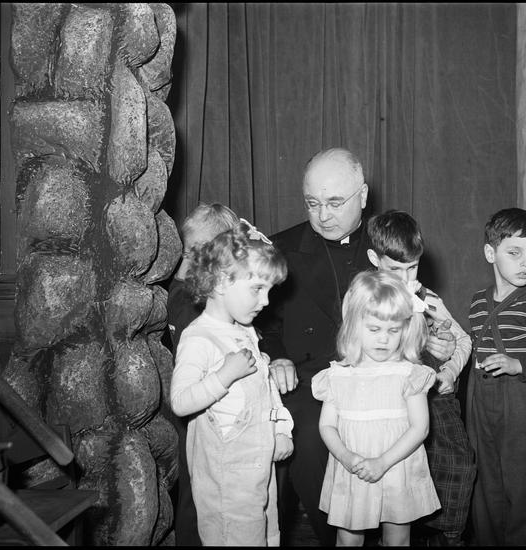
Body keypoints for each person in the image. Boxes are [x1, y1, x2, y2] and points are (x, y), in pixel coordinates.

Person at [256, 148, 456, 546]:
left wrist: (438, 346)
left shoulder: (388, 247)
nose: (322, 215)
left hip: (382, 376)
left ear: (362, 195)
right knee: (311, 441)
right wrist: (278, 357)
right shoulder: (280, 249)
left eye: (334, 203)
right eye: (312, 203)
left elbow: (417, 318)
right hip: (312, 381)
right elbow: (265, 322)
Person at [170, 221, 295, 546]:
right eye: (257, 289)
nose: (266, 301)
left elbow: (265, 384)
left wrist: (280, 426)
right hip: (226, 475)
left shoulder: (245, 331)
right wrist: (223, 375)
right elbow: (180, 401)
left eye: (269, 290)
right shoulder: (199, 337)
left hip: (258, 465)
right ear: (224, 281)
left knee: (264, 533)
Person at [365, 210, 476, 546]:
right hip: (381, 402)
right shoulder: (365, 297)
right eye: (394, 269)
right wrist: (422, 341)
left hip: (426, 394)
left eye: (412, 267)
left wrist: (449, 369)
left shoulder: (427, 299)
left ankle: (446, 537)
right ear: (374, 259)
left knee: (458, 463)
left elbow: (464, 341)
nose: (404, 278)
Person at [312, 270, 441, 546]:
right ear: (353, 325)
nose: (384, 339)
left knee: (397, 538)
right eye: (374, 329)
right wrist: (346, 457)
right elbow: (327, 425)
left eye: (393, 330)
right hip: (353, 467)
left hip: (396, 465)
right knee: (348, 538)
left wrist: (383, 462)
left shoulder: (409, 374)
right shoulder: (338, 375)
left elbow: (420, 427)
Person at [466, 207, 526, 546]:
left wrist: (519, 365)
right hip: (480, 406)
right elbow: (473, 351)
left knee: (525, 490)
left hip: (522, 408)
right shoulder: (477, 303)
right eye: (515, 252)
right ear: (490, 253)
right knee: (486, 488)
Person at [166, 202, 239, 546]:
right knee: (194, 493)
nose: (186, 262)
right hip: (191, 408)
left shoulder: (223, 298)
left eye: (197, 252)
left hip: (220, 406)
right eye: (186, 251)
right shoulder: (183, 294)